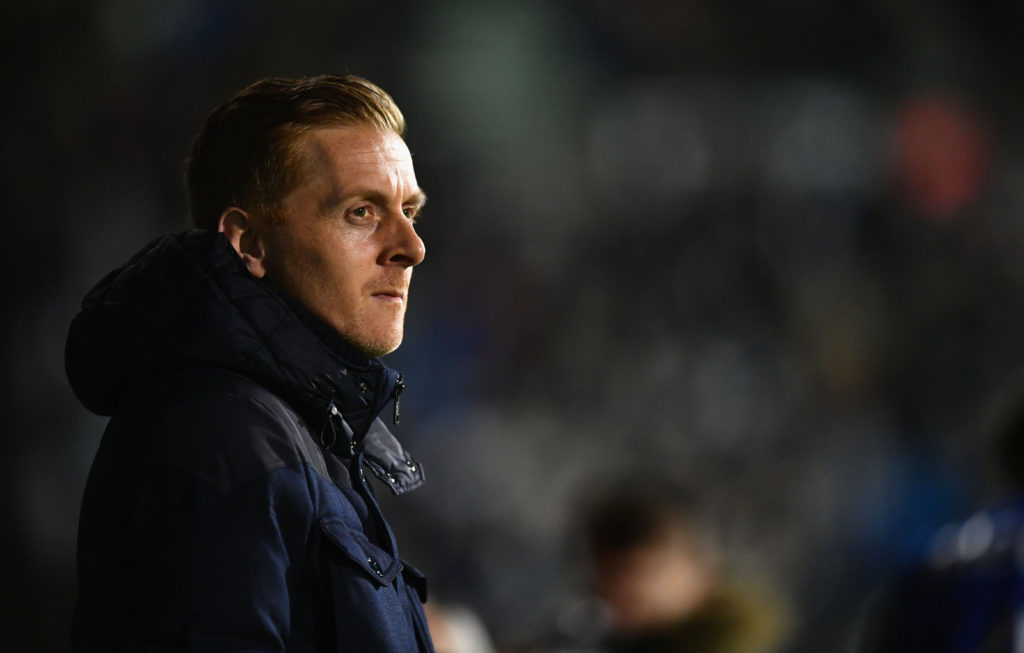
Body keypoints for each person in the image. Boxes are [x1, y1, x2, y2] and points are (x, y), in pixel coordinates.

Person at [65, 74, 434, 651]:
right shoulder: (217, 433)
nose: (411, 247)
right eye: (362, 212)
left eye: (410, 210)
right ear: (249, 244)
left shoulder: (291, 428)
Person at [577, 479, 789, 653]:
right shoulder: (637, 636)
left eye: (639, 573)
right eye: (605, 577)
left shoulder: (744, 637)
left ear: (694, 565)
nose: (615, 592)